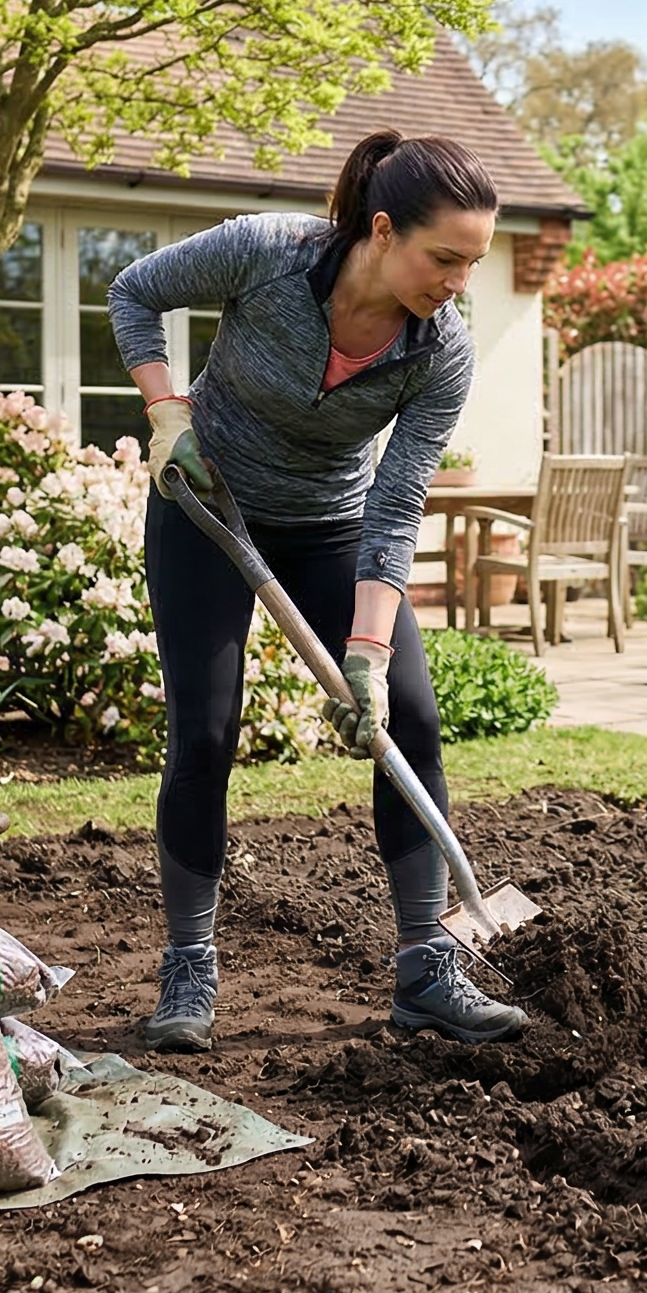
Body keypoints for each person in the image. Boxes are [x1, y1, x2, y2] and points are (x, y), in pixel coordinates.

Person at [106, 129, 531, 1051]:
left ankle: (426, 967)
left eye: (474, 263)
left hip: (331, 525)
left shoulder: (440, 352)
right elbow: (134, 291)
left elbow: (397, 502)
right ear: (381, 230)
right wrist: (168, 412)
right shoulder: (269, 253)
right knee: (205, 732)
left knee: (408, 720)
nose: (459, 282)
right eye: (444, 258)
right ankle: (189, 967)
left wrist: (367, 654)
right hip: (208, 507)